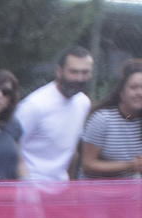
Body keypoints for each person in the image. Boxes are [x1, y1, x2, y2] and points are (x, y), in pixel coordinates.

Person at [15, 47, 94, 182]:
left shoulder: (84, 103)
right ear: (59, 71)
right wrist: (26, 188)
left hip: (61, 188)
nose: (79, 78)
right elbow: (12, 147)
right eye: (73, 72)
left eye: (85, 72)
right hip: (30, 190)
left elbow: (71, 150)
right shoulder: (34, 105)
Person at [79, 58, 142, 181]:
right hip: (98, 194)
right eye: (134, 87)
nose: (140, 93)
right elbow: (88, 164)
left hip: (131, 192)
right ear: (121, 92)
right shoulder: (102, 119)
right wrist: (130, 165)